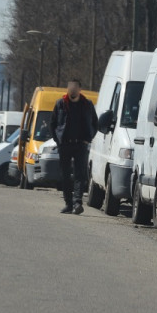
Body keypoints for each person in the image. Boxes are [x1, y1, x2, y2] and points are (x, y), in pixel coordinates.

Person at [50, 78, 98, 214]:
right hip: (65, 144)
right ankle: (68, 204)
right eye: (70, 87)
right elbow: (53, 123)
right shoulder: (61, 103)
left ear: (79, 89)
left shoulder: (87, 104)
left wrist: (88, 139)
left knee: (80, 175)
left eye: (75, 87)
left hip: (80, 144)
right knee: (65, 175)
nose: (72, 89)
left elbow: (95, 123)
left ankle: (77, 203)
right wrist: (58, 140)